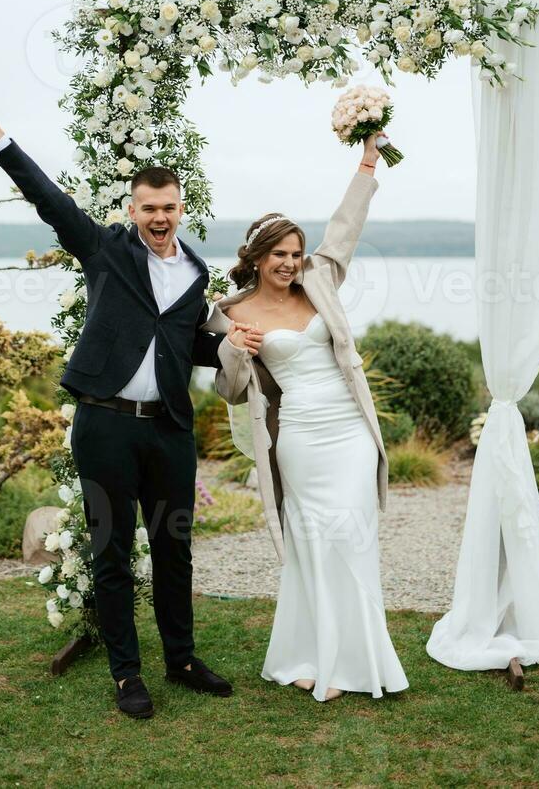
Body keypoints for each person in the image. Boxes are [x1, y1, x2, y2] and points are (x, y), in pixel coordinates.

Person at [0, 82, 260, 720]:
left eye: (169, 206)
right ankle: (127, 675)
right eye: (149, 208)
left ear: (180, 207)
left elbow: (181, 345)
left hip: (168, 430)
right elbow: (47, 198)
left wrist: (234, 347)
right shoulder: (103, 250)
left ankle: (182, 659)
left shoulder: (196, 273)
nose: (160, 217)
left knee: (175, 548)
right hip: (105, 429)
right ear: (131, 209)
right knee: (112, 551)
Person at [202, 132, 409, 703]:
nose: (291, 263)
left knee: (353, 537)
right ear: (257, 260)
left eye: (296, 253)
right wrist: (236, 350)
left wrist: (367, 163)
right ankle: (307, 655)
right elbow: (229, 390)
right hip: (298, 438)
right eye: (280, 256)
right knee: (312, 543)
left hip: (349, 430)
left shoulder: (320, 281)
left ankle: (359, 659)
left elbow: (344, 228)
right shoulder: (230, 314)